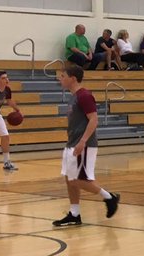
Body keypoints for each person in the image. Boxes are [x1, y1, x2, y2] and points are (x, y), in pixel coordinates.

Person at [51, 64, 120, 227]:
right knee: (69, 178)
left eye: (63, 76)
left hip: (84, 144)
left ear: (73, 78)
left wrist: (82, 141)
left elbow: (94, 120)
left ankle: (109, 197)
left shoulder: (85, 96)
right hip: (71, 143)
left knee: (77, 179)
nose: (60, 79)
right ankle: (74, 214)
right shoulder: (73, 96)